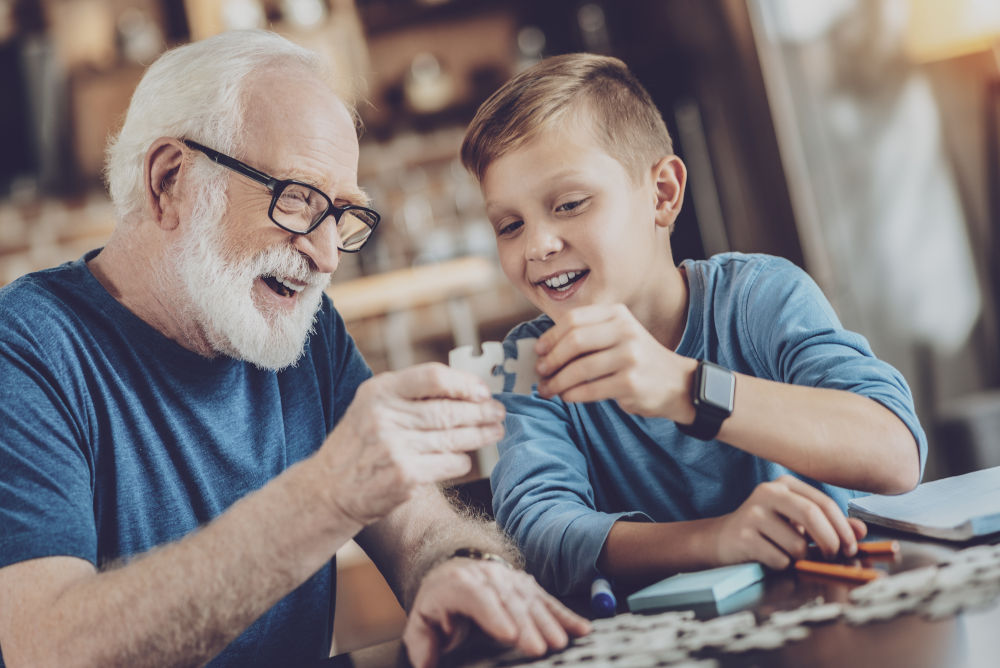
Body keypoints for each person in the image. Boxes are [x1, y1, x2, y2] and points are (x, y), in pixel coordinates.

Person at [0, 31, 590, 668]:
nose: (328, 254)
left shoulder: (301, 328)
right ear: (169, 180)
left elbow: (418, 526)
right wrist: (325, 497)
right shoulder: (27, 349)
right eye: (299, 200)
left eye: (342, 215)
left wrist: (455, 567)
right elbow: (49, 649)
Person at [459, 53, 927, 597]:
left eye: (569, 204)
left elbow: (896, 454)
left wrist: (686, 387)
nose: (538, 245)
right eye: (509, 225)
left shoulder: (761, 297)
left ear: (663, 194)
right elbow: (538, 537)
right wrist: (718, 540)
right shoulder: (524, 360)